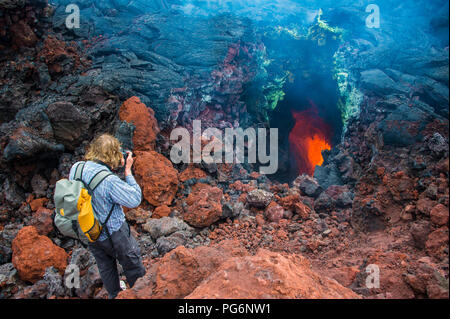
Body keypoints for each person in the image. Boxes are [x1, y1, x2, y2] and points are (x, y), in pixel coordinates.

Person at [69, 134, 145, 299]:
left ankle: (114, 295)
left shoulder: (76, 168)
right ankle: (140, 293)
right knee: (132, 264)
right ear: (112, 155)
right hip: (115, 233)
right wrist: (127, 172)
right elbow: (134, 199)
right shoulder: (108, 180)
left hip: (90, 230)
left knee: (105, 266)